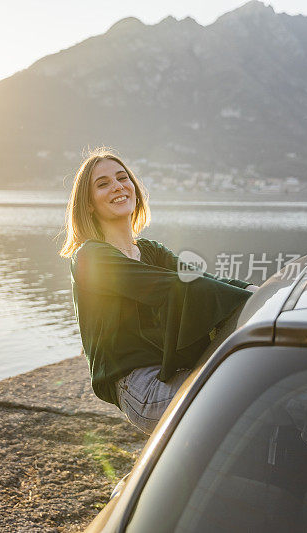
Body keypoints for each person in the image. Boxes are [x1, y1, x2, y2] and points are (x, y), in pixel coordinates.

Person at [60, 148, 258, 434]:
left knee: (288, 390)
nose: (117, 186)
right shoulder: (92, 257)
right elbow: (176, 288)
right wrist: (252, 298)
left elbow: (199, 278)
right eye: (103, 184)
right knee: (267, 395)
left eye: (121, 178)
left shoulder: (151, 251)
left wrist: (262, 291)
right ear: (88, 204)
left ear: (134, 188)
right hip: (141, 388)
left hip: (171, 373)